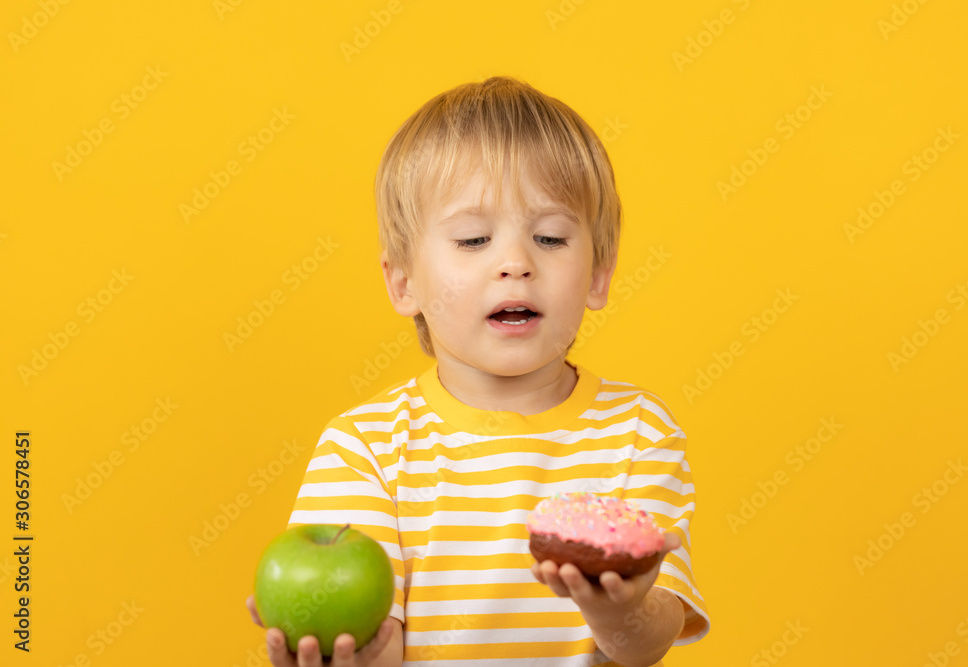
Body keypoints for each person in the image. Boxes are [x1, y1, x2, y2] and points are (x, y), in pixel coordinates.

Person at [246, 75, 711, 667]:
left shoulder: (639, 431)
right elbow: (378, 644)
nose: (515, 263)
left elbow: (646, 644)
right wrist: (350, 656)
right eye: (473, 239)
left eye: (549, 236)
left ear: (598, 274)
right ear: (403, 281)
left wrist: (621, 612)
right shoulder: (364, 448)